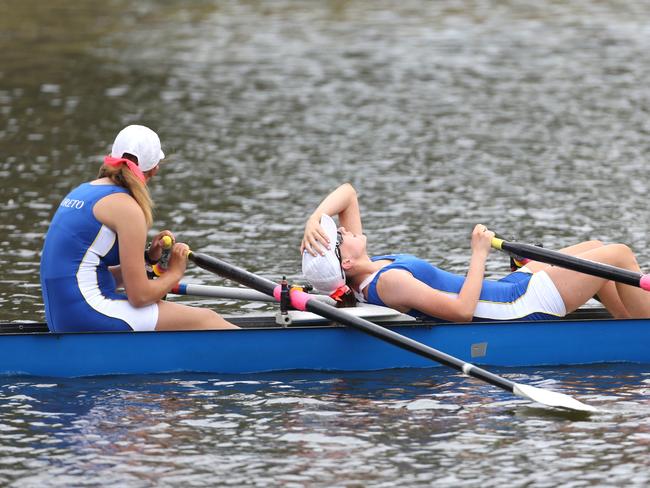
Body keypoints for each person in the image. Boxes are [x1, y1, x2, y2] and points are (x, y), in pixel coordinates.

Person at [301, 183, 650, 322]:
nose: (344, 228)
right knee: (618, 255)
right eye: (339, 235)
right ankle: (641, 330)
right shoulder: (389, 281)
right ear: (345, 261)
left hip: (511, 288)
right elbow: (462, 313)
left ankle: (629, 329)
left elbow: (347, 193)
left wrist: (314, 219)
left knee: (595, 250)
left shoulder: (366, 267)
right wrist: (479, 253)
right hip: (518, 306)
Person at [40, 125, 237, 332]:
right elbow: (140, 296)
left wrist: (148, 259)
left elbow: (87, 274)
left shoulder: (83, 191)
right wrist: (175, 272)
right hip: (87, 313)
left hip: (63, 314)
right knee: (206, 319)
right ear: (155, 169)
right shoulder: (128, 208)